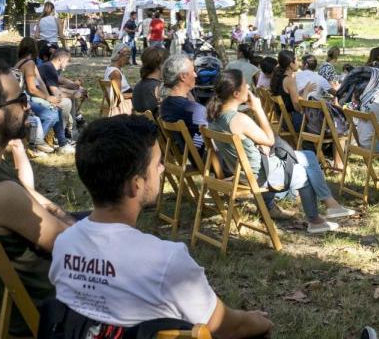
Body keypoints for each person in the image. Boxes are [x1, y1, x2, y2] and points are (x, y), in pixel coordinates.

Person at [48, 115, 273, 338]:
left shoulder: (64, 244)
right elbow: (228, 327)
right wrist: (260, 321)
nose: (163, 169)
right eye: (158, 164)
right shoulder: (165, 260)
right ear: (136, 185)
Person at [0, 59, 75, 336]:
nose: (28, 104)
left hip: (26, 301)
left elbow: (29, 196)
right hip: (55, 313)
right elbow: (74, 248)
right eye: (20, 99)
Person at [207, 70, 353, 232]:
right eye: (244, 85)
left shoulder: (215, 116)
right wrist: (259, 110)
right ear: (236, 93)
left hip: (242, 170)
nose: (248, 86)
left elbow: (245, 143)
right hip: (260, 173)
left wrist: (256, 145)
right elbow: (270, 139)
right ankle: (316, 220)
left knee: (309, 156)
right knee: (303, 174)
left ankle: (329, 204)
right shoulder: (240, 119)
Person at [15, 37, 67, 153]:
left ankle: (62, 142)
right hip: (23, 100)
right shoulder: (29, 63)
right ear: (34, 49)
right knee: (51, 115)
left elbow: (39, 83)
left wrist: (48, 98)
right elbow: (32, 89)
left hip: (21, 98)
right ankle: (35, 144)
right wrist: (48, 98)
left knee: (57, 109)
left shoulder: (21, 62)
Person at [159, 55, 208, 156]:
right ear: (182, 76)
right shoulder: (195, 110)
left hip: (188, 156)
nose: (196, 75)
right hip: (207, 160)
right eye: (193, 71)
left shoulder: (165, 104)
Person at [39, 48, 88, 138]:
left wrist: (75, 87)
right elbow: (56, 94)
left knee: (71, 97)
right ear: (61, 58)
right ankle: (59, 136)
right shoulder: (49, 68)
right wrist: (74, 94)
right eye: (68, 61)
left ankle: (71, 131)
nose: (68, 64)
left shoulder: (49, 67)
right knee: (67, 102)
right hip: (41, 99)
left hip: (43, 97)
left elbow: (58, 84)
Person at [271, 50, 315, 132]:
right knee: (321, 122)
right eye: (297, 60)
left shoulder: (278, 77)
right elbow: (298, 108)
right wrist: (306, 91)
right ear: (291, 64)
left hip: (282, 120)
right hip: (293, 121)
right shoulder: (290, 80)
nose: (299, 63)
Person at [132, 46, 169, 115]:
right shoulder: (159, 88)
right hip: (154, 125)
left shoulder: (138, 85)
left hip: (140, 124)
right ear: (161, 65)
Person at [103, 42, 134, 116]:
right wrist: (134, 94)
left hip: (129, 98)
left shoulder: (111, 68)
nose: (128, 61)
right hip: (126, 102)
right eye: (127, 57)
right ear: (120, 56)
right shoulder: (115, 73)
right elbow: (118, 96)